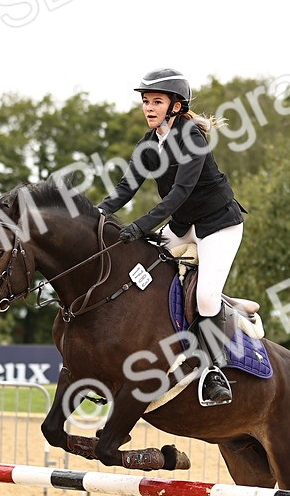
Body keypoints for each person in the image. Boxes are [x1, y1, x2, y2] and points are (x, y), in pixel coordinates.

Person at [97, 68, 245, 407]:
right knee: (139, 264)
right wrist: (95, 215)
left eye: (156, 102)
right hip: (184, 225)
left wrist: (141, 226)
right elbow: (125, 188)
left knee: (207, 297)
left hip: (219, 224)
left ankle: (213, 371)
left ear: (176, 106)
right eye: (146, 102)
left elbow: (177, 195)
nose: (149, 108)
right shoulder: (149, 144)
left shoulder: (192, 137)